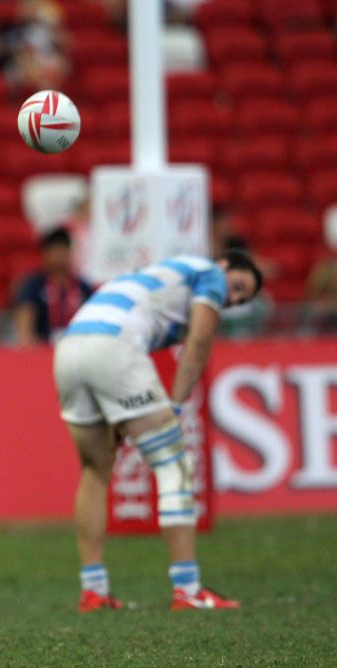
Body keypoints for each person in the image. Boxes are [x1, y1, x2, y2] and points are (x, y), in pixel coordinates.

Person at [54, 251, 262, 611]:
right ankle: (188, 590)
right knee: (173, 463)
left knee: (94, 471)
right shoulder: (210, 272)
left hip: (69, 350)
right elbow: (198, 344)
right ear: (226, 266)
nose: (234, 299)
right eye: (239, 287)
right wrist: (177, 406)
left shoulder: (157, 276)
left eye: (242, 300)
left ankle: (94, 590)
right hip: (112, 347)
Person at [13, 227, 93, 346]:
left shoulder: (83, 287)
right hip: (41, 351)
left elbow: (91, 326)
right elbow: (25, 328)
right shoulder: (33, 285)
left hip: (75, 351)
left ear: (70, 252)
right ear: (45, 253)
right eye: (54, 250)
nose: (58, 256)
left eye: (62, 250)